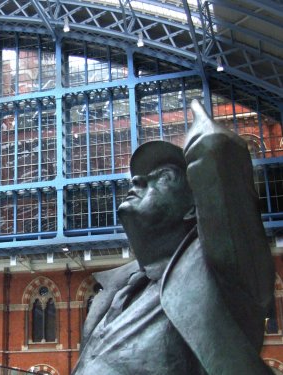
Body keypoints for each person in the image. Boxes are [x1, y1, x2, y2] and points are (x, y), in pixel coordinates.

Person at [72, 99, 275, 374]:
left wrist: (206, 137)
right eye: (138, 176)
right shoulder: (116, 291)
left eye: (163, 177)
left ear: (194, 207)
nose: (136, 181)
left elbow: (216, 154)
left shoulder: (218, 273)